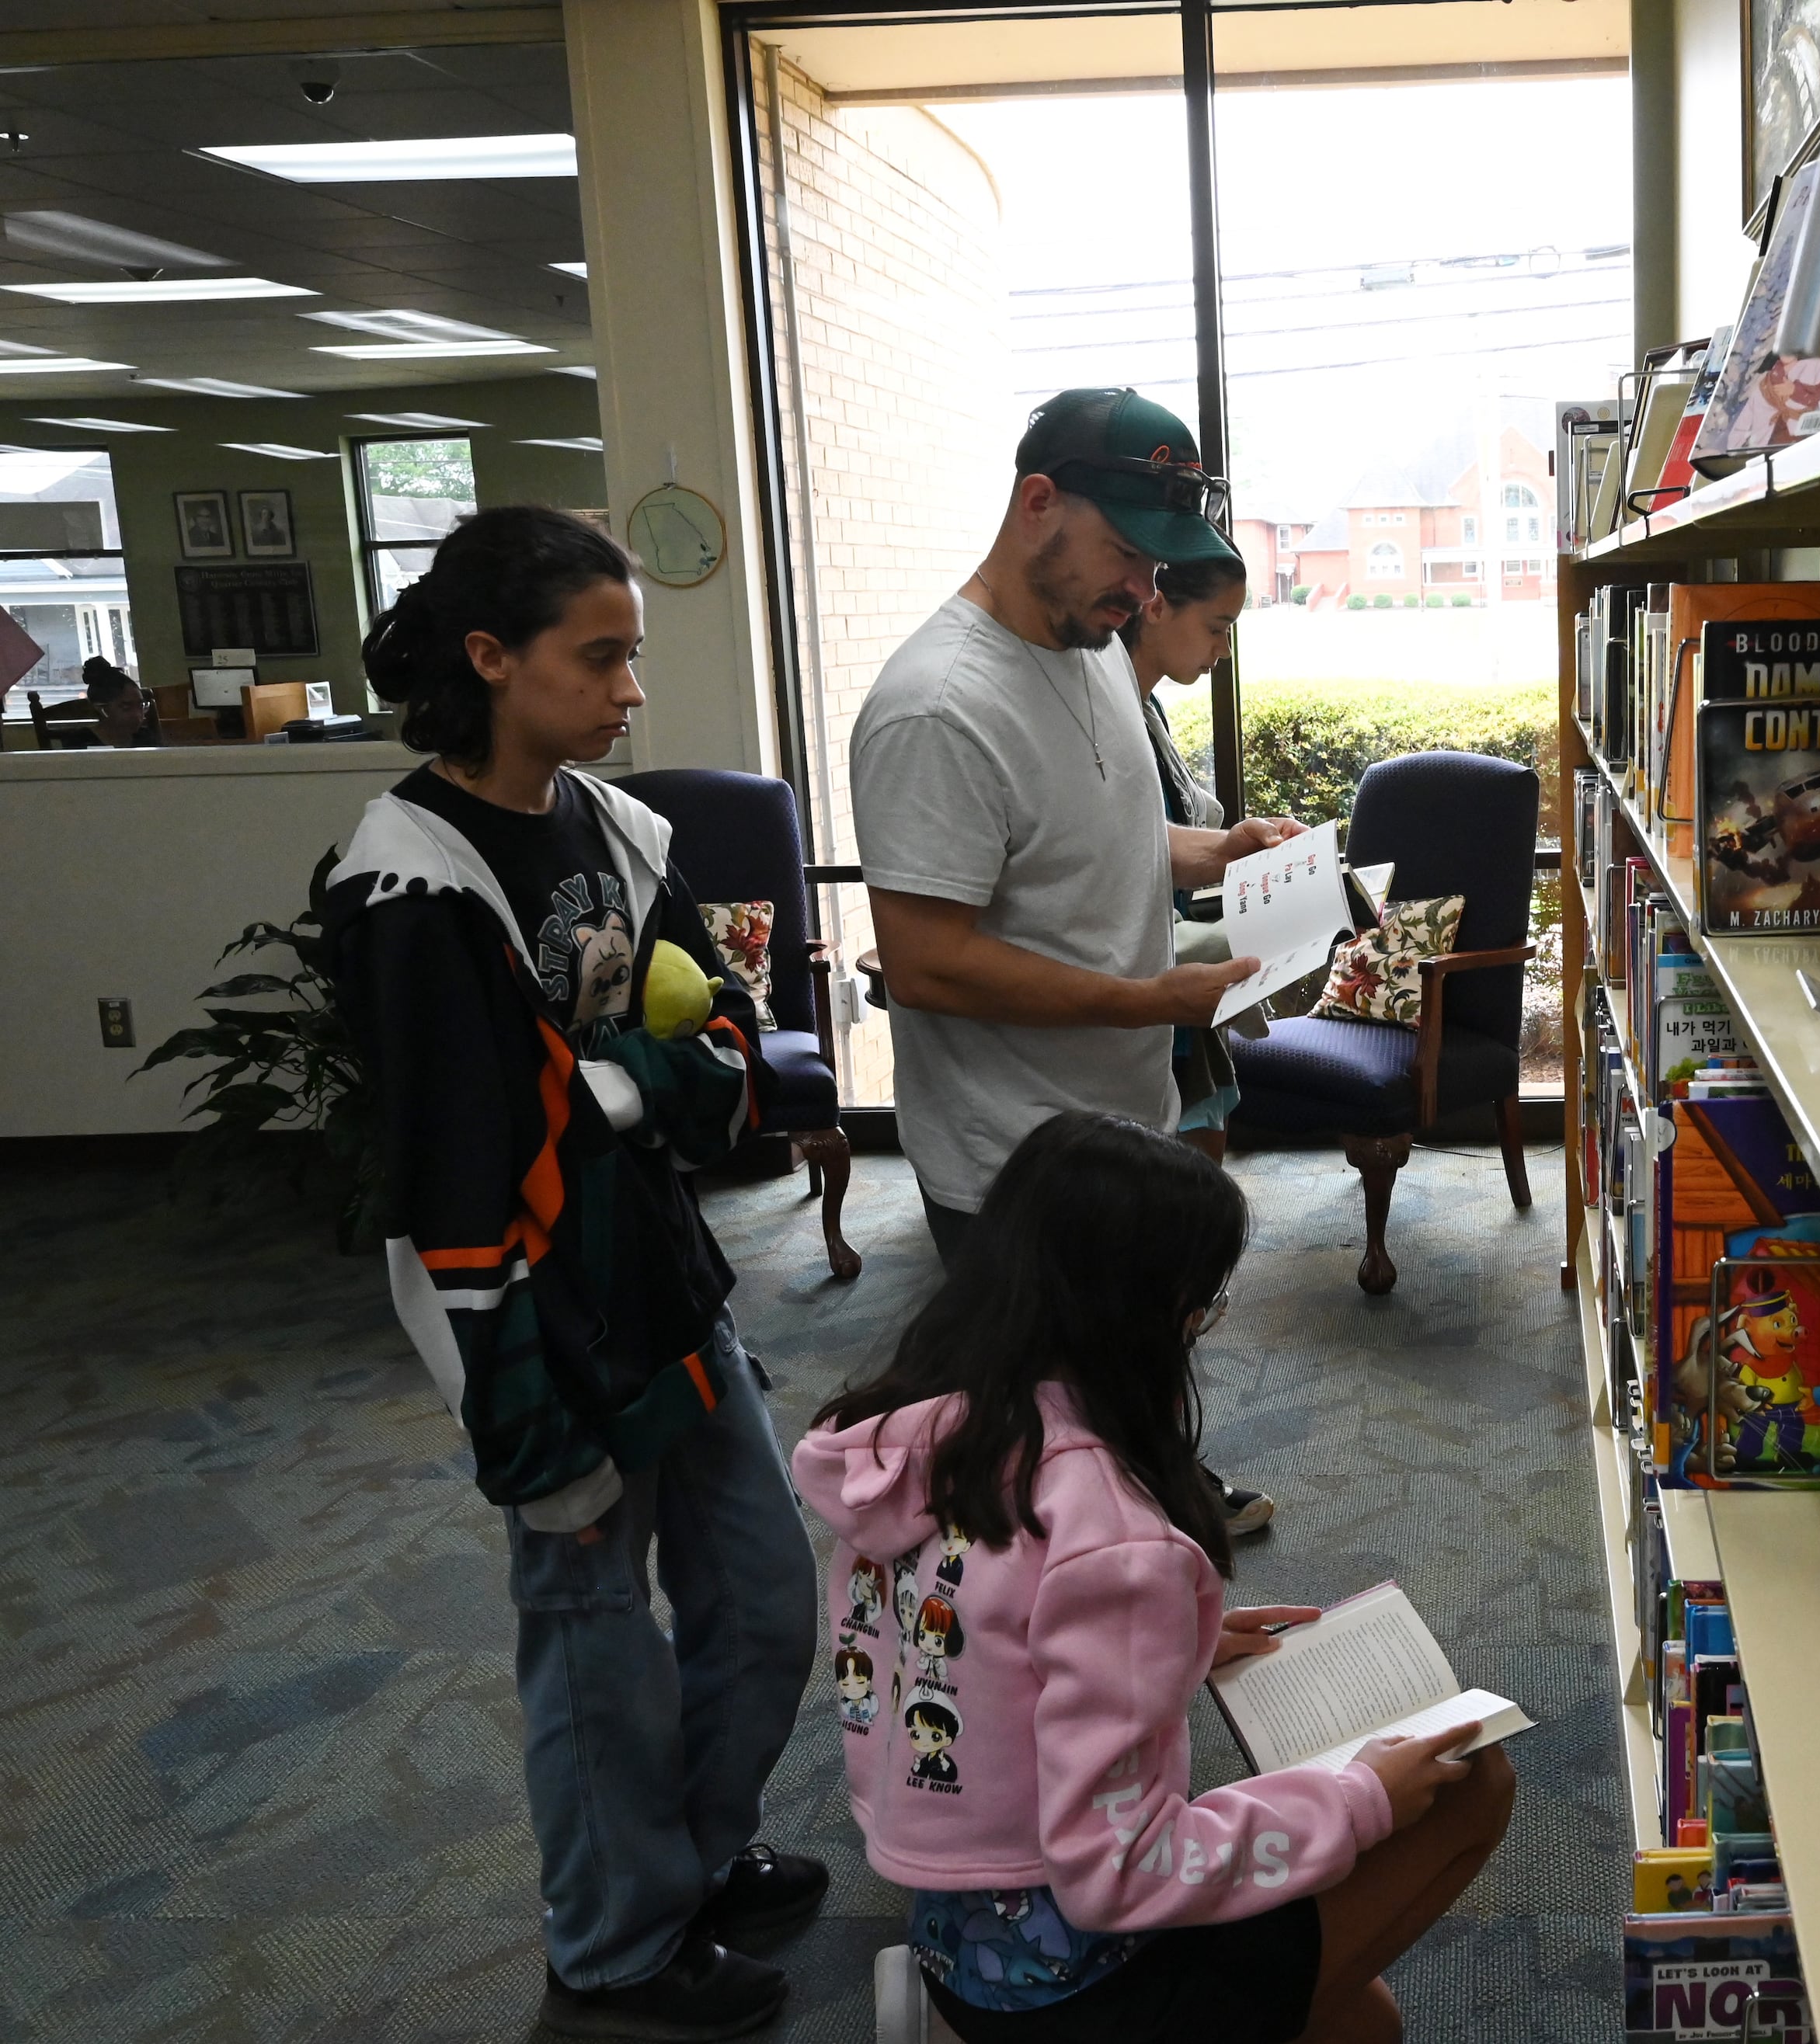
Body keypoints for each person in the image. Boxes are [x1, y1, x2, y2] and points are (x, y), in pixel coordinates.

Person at [322, 506, 824, 2042]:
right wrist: (633, 1080)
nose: (628, 689)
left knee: (762, 1592)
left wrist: (608, 1083)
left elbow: (737, 1057)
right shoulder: (405, 881)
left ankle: (688, 1852)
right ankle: (616, 1943)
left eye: (632, 656)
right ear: (490, 658)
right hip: (536, 1323)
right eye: (597, 655)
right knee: (596, 1632)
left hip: (669, 1280)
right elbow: (460, 1176)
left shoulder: (616, 825)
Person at [791, 1112, 1515, 2044]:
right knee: (1473, 1782)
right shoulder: (1111, 1536)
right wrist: (1358, 1799)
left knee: (1356, 2025)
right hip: (1077, 1986)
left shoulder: (910, 1441)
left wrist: (1168, 1645)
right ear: (1148, 1311)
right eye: (1199, 1305)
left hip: (953, 1932)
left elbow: (959, 1643)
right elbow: (1119, 1871)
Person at [851, 387, 1301, 1535]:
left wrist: (1220, 851)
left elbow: (1092, 842)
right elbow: (928, 962)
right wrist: (1151, 1000)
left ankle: (1162, 1531)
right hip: (1016, 1164)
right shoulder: (938, 710)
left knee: (1134, 1380)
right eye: (1127, 555)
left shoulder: (1095, 645)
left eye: (1162, 570)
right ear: (1037, 503)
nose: (1144, 592)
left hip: (1120, 1122)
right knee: (1031, 1451)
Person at [1117, 553, 1254, 1159]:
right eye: (1217, 627)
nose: (1222, 650)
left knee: (1199, 1146)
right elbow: (1128, 846)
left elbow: (1150, 836)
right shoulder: (1109, 715)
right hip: (1138, 959)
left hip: (1165, 943)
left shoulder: (1145, 706)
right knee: (1178, 1163)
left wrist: (1233, 847)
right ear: (1156, 605)